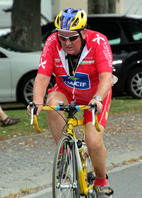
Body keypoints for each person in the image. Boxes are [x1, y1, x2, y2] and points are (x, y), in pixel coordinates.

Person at [27, 8, 114, 197]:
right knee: (51, 102)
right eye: (62, 37)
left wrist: (98, 98)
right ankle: (65, 153)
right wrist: (36, 102)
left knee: (93, 141)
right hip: (65, 91)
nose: (66, 43)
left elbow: (107, 77)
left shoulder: (98, 41)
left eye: (72, 38)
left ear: (83, 32)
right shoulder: (52, 42)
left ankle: (100, 180)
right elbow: (42, 77)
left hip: (95, 95)